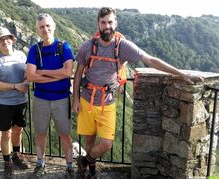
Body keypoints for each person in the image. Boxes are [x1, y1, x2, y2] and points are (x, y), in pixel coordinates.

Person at [72, 7, 196, 179]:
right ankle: (89, 167)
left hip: (106, 103)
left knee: (106, 143)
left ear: (115, 23)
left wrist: (180, 74)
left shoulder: (122, 46)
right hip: (86, 100)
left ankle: (85, 161)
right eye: (103, 22)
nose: (106, 26)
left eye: (110, 22)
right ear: (98, 24)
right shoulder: (87, 46)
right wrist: (75, 99)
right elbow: (77, 73)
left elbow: (150, 60)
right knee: (89, 139)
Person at [26, 13, 75, 178]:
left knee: (65, 135)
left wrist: (44, 72)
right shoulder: (35, 49)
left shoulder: (64, 47)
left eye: (48, 25)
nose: (45, 29)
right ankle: (40, 164)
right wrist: (57, 74)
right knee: (40, 133)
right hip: (41, 99)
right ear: (38, 30)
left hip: (61, 98)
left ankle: (69, 166)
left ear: (53, 27)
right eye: (41, 27)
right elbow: (31, 76)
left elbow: (68, 72)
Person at [0, 26, 30, 178]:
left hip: (21, 101)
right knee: (6, 134)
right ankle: (7, 162)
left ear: (12, 40)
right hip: (4, 103)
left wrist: (24, 82)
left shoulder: (21, 56)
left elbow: (29, 74)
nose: (4, 42)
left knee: (18, 130)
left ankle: (17, 155)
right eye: (1, 40)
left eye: (7, 38)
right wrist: (15, 86)